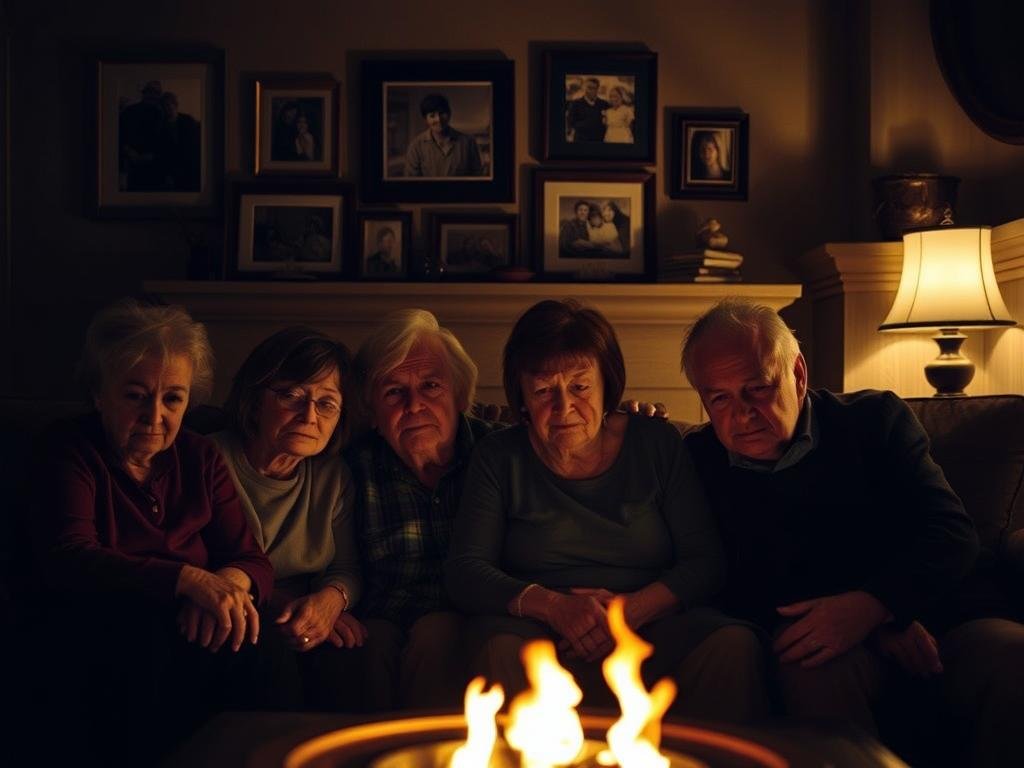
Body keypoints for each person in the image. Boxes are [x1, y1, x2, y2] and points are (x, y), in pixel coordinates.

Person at [446, 299, 767, 722]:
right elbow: (465, 571)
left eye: (580, 386)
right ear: (522, 396)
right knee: (500, 651)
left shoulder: (656, 443)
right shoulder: (498, 456)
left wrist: (624, 613)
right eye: (543, 391)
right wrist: (555, 608)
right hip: (537, 630)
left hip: (650, 620)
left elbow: (706, 562)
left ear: (606, 384)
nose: (564, 408)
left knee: (731, 643)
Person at [680, 298, 985, 740]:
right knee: (810, 661)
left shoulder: (875, 420)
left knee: (1009, 655)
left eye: (757, 389)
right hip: (819, 641)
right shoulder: (696, 462)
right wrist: (861, 626)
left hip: (943, 616)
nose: (741, 414)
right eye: (719, 398)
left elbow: (951, 534)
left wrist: (876, 607)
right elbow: (722, 581)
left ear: (797, 374)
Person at [32, 299, 299, 764]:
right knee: (148, 646)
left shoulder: (199, 456)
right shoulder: (69, 450)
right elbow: (70, 555)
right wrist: (188, 581)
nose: (155, 415)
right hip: (108, 623)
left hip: (192, 620)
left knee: (261, 638)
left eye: (172, 398)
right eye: (135, 395)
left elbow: (251, 558)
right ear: (99, 393)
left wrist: (227, 589)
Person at [345, 309, 500, 710]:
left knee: (438, 633)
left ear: (461, 396)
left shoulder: (498, 455)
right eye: (394, 392)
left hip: (468, 611)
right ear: (373, 413)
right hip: (382, 614)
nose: (414, 405)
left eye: (431, 386)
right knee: (367, 644)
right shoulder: (352, 467)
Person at [211, 327, 366, 710]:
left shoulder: (334, 477)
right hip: (231, 613)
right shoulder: (209, 459)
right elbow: (192, 561)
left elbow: (347, 568)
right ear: (255, 398)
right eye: (291, 395)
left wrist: (331, 602)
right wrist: (280, 604)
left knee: (351, 650)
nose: (309, 415)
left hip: (301, 614)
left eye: (327, 403)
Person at [403, 93, 484, 178]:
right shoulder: (416, 146)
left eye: (442, 113)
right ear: (425, 120)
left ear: (449, 113)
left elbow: (477, 176)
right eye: (432, 115)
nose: (438, 119)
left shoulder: (468, 142)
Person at [119, 80, 166, 190]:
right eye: (150, 92)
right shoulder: (129, 111)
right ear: (144, 93)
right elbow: (120, 136)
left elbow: (166, 140)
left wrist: (154, 154)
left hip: (155, 165)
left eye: (156, 93)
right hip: (133, 163)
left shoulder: (162, 113)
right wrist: (129, 151)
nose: (153, 95)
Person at [159, 91, 201, 191]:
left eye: (169, 104)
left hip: (190, 165)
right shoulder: (161, 125)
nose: (167, 108)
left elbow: (195, 143)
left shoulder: (188, 120)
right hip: (173, 167)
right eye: (164, 105)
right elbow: (163, 150)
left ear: (175, 104)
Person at [566, 77, 609, 142]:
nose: (591, 90)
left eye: (594, 88)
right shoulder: (575, 103)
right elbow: (571, 121)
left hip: (599, 140)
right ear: (584, 88)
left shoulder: (604, 104)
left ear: (597, 89)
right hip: (581, 139)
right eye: (589, 87)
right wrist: (587, 125)